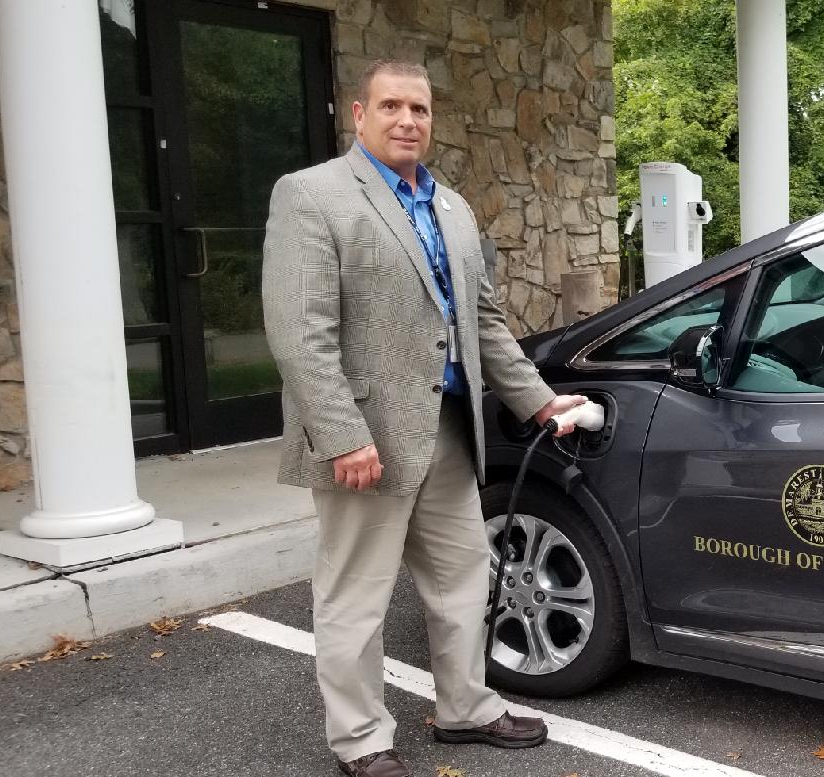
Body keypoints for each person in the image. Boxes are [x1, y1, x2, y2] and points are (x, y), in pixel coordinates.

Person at [262, 59, 587, 777]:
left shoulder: (452, 208)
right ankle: (360, 739)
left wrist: (537, 399)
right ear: (360, 114)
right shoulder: (312, 195)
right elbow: (299, 330)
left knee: (463, 576)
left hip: (447, 427)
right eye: (391, 106)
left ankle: (466, 707)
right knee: (355, 595)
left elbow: (483, 321)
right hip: (365, 438)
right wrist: (341, 434)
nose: (407, 120)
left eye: (420, 109)